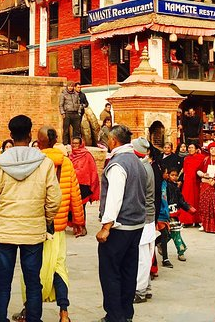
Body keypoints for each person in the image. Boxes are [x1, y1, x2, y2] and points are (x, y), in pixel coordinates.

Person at [0, 115, 61, 322]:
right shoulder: (44, 163)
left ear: (10, 135)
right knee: (33, 281)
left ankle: (0, 319)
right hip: (33, 231)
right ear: (29, 134)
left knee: (3, 282)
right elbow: (54, 199)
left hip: (6, 231)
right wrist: (44, 219)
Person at [13, 126, 83, 322]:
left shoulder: (35, 161)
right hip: (58, 227)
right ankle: (64, 313)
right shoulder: (67, 163)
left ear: (40, 141)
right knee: (59, 267)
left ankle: (29, 311)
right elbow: (75, 193)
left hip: (36, 224)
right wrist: (79, 220)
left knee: (31, 268)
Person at [96, 124, 148, 322]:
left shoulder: (118, 164)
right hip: (136, 225)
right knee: (128, 271)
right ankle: (126, 313)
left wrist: (106, 226)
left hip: (120, 227)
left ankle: (115, 315)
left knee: (110, 273)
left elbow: (115, 197)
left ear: (113, 141)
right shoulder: (137, 161)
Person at [132, 138, 157, 304]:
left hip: (144, 216)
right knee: (146, 254)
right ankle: (146, 287)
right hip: (149, 215)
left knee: (141, 256)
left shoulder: (142, 168)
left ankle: (140, 290)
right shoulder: (148, 166)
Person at [157, 167, 196, 267]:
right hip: (167, 213)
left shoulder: (175, 187)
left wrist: (188, 208)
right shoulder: (164, 186)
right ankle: (181, 251)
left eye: (176, 175)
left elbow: (180, 200)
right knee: (175, 233)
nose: (174, 177)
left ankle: (159, 243)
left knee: (171, 232)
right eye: (172, 175)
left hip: (174, 213)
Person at [197, 142, 215, 234]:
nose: (213, 150)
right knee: (204, 205)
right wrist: (203, 174)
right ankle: (204, 224)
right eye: (211, 149)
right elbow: (198, 170)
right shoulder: (205, 160)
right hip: (206, 184)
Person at [69, 136, 100, 223]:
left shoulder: (87, 155)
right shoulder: (71, 155)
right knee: (72, 207)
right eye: (73, 143)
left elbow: (92, 170)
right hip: (73, 184)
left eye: (76, 143)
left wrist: (93, 186)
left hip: (84, 186)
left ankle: (82, 227)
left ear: (81, 144)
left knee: (81, 207)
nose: (74, 145)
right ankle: (75, 226)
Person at [179, 143, 201, 227]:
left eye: (192, 148)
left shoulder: (201, 158)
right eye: (189, 148)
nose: (190, 149)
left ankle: (197, 220)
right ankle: (187, 220)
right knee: (187, 200)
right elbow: (184, 170)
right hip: (188, 182)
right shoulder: (186, 159)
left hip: (196, 181)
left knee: (197, 200)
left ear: (196, 149)